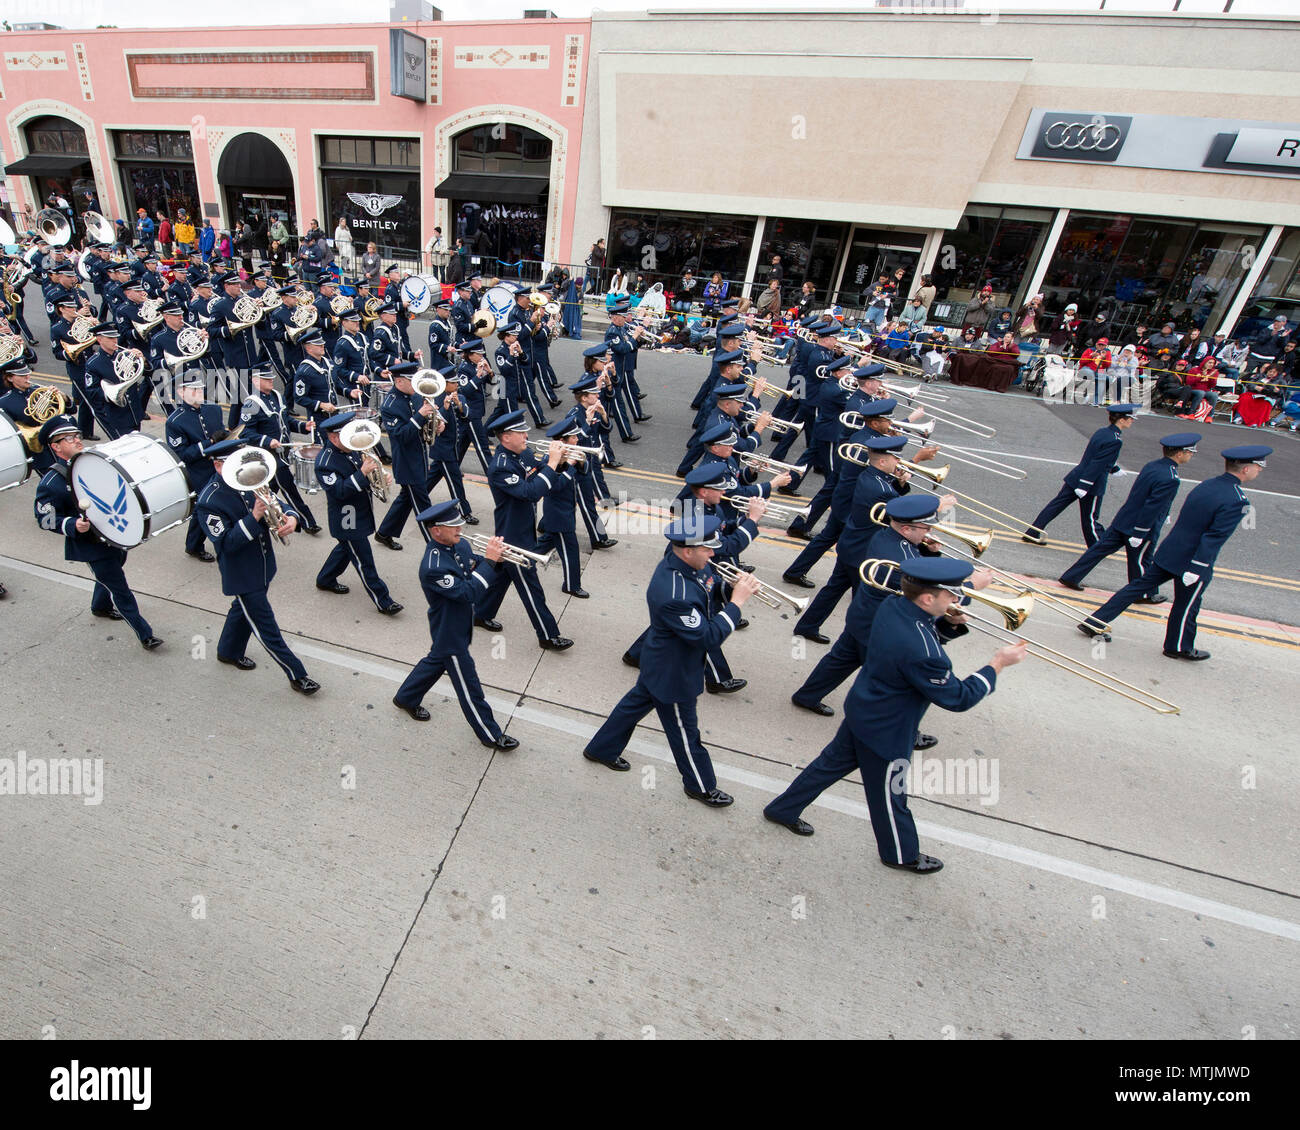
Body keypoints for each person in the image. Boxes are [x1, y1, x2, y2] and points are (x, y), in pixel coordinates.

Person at [764, 558, 1024, 871]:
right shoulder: (926, 652)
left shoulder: (894, 604)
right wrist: (997, 664)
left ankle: (783, 809)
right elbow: (958, 698)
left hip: (865, 708)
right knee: (890, 795)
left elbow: (916, 641)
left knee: (828, 765)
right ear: (928, 599)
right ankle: (899, 854)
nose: (956, 600)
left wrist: (949, 624)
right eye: (951, 596)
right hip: (887, 729)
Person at [583, 513, 761, 805]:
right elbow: (708, 637)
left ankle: (601, 749)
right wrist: (738, 603)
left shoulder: (688, 566)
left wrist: (729, 589)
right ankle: (700, 786)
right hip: (674, 671)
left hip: (660, 660)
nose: (713, 553)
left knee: (634, 705)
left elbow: (709, 591)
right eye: (708, 548)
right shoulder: (674, 592)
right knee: (686, 734)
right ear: (689, 550)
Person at [1080, 445, 1269, 660]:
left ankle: (1095, 621)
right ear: (1245, 469)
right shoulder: (1238, 500)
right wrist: (1198, 566)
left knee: (1135, 588)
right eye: (1258, 466)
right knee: (1187, 606)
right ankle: (1178, 646)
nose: (1259, 470)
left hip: (1170, 551)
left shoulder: (1207, 484)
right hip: (1193, 560)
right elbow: (1214, 537)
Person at [391, 501, 518, 750]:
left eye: (459, 522)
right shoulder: (433, 568)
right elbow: (468, 592)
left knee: (436, 661)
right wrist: (491, 563)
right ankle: (490, 735)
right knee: (469, 687)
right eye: (453, 525)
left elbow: (473, 566)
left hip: (460, 622)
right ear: (436, 530)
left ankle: (406, 697)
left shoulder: (460, 544)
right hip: (449, 628)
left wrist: (498, 558)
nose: (460, 527)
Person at [195, 438, 318, 693]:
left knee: (241, 610)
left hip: (263, 564)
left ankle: (227, 651)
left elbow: (277, 501)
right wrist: (254, 517)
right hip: (242, 573)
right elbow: (226, 543)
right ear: (219, 466)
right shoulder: (209, 501)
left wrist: (292, 518)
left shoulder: (249, 479)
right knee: (266, 626)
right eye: (234, 462)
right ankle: (297, 674)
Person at [32, 416, 164, 651]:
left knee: (112, 573)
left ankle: (99, 607)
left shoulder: (93, 462)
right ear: (56, 447)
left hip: (114, 535)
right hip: (91, 546)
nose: (77, 440)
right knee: (119, 588)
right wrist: (72, 525)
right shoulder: (52, 482)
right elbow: (45, 518)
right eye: (69, 438)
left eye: (77, 436)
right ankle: (145, 634)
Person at [473, 411, 573, 651]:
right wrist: (551, 463)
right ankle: (548, 635)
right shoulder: (500, 467)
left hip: (525, 527)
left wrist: (563, 464)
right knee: (532, 590)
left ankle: (480, 613)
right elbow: (530, 492)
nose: (527, 436)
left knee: (502, 576)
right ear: (506, 437)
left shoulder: (524, 453)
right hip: (513, 534)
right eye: (521, 432)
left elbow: (548, 482)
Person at [1058, 432, 1199, 597]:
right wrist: (1140, 531)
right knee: (1141, 560)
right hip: (1142, 525)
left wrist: (1165, 512)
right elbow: (1152, 505)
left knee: (1099, 550)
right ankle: (1143, 594)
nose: (1191, 455)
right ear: (1179, 453)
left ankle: (1071, 576)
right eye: (1189, 452)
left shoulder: (1152, 465)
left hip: (1124, 519)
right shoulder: (1171, 477)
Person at [313, 411, 403, 615]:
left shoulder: (351, 448)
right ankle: (383, 601)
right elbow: (339, 491)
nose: (353, 438)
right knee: (364, 560)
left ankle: (325, 578)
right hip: (347, 517)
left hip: (359, 509)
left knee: (346, 548)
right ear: (334, 437)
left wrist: (381, 476)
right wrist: (362, 473)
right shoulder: (325, 463)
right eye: (347, 434)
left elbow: (368, 473)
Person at [1023, 403, 1137, 546]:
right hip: (1091, 483)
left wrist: (1114, 468)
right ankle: (1095, 545)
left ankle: (1032, 532)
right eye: (1130, 418)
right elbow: (1097, 462)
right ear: (1121, 420)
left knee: (1055, 506)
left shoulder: (1103, 432)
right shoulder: (1115, 440)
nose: (1132, 420)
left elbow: (1098, 455)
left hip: (1077, 476)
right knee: (1090, 518)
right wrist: (1085, 485)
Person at [165, 375, 229, 562]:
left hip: (220, 464)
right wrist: (208, 443)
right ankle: (194, 546)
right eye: (194, 390)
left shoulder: (213, 409)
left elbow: (222, 434)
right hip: (198, 471)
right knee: (205, 506)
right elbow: (182, 454)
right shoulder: (175, 421)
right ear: (181, 392)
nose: (199, 393)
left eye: (200, 389)